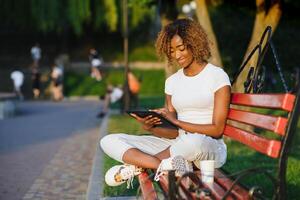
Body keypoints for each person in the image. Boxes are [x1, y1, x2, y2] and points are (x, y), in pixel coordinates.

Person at [100, 18, 231, 188]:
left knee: (193, 142)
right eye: (172, 50)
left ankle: (138, 167)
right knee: (108, 140)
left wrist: (176, 121)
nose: (177, 55)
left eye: (181, 48)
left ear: (194, 43)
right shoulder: (172, 82)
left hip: (208, 146)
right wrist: (151, 126)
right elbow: (173, 133)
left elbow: (217, 129)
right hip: (177, 146)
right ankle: (166, 166)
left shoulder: (216, 76)